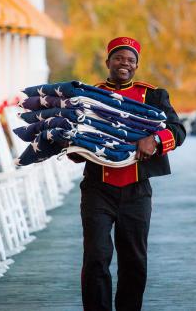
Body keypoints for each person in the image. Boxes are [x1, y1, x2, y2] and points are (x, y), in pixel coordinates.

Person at [71, 37, 186, 311]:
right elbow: (75, 135)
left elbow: (178, 131)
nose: (125, 63)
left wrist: (155, 140)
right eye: (119, 58)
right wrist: (73, 148)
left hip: (137, 189)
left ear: (136, 66)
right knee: (96, 257)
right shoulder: (90, 94)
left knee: (134, 260)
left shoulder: (154, 95)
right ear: (108, 61)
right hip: (98, 188)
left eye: (130, 60)